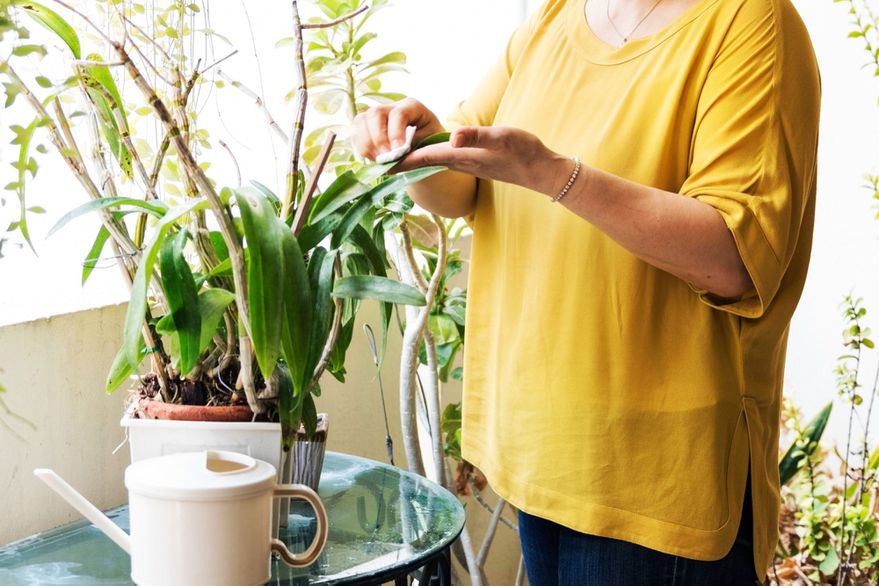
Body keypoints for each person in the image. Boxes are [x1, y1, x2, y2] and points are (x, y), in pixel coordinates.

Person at [352, 0, 820, 582]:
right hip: (544, 451)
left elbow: (732, 257)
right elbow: (463, 185)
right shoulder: (553, 20)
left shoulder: (751, 22)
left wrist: (551, 174)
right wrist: (416, 148)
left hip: (651, 479)